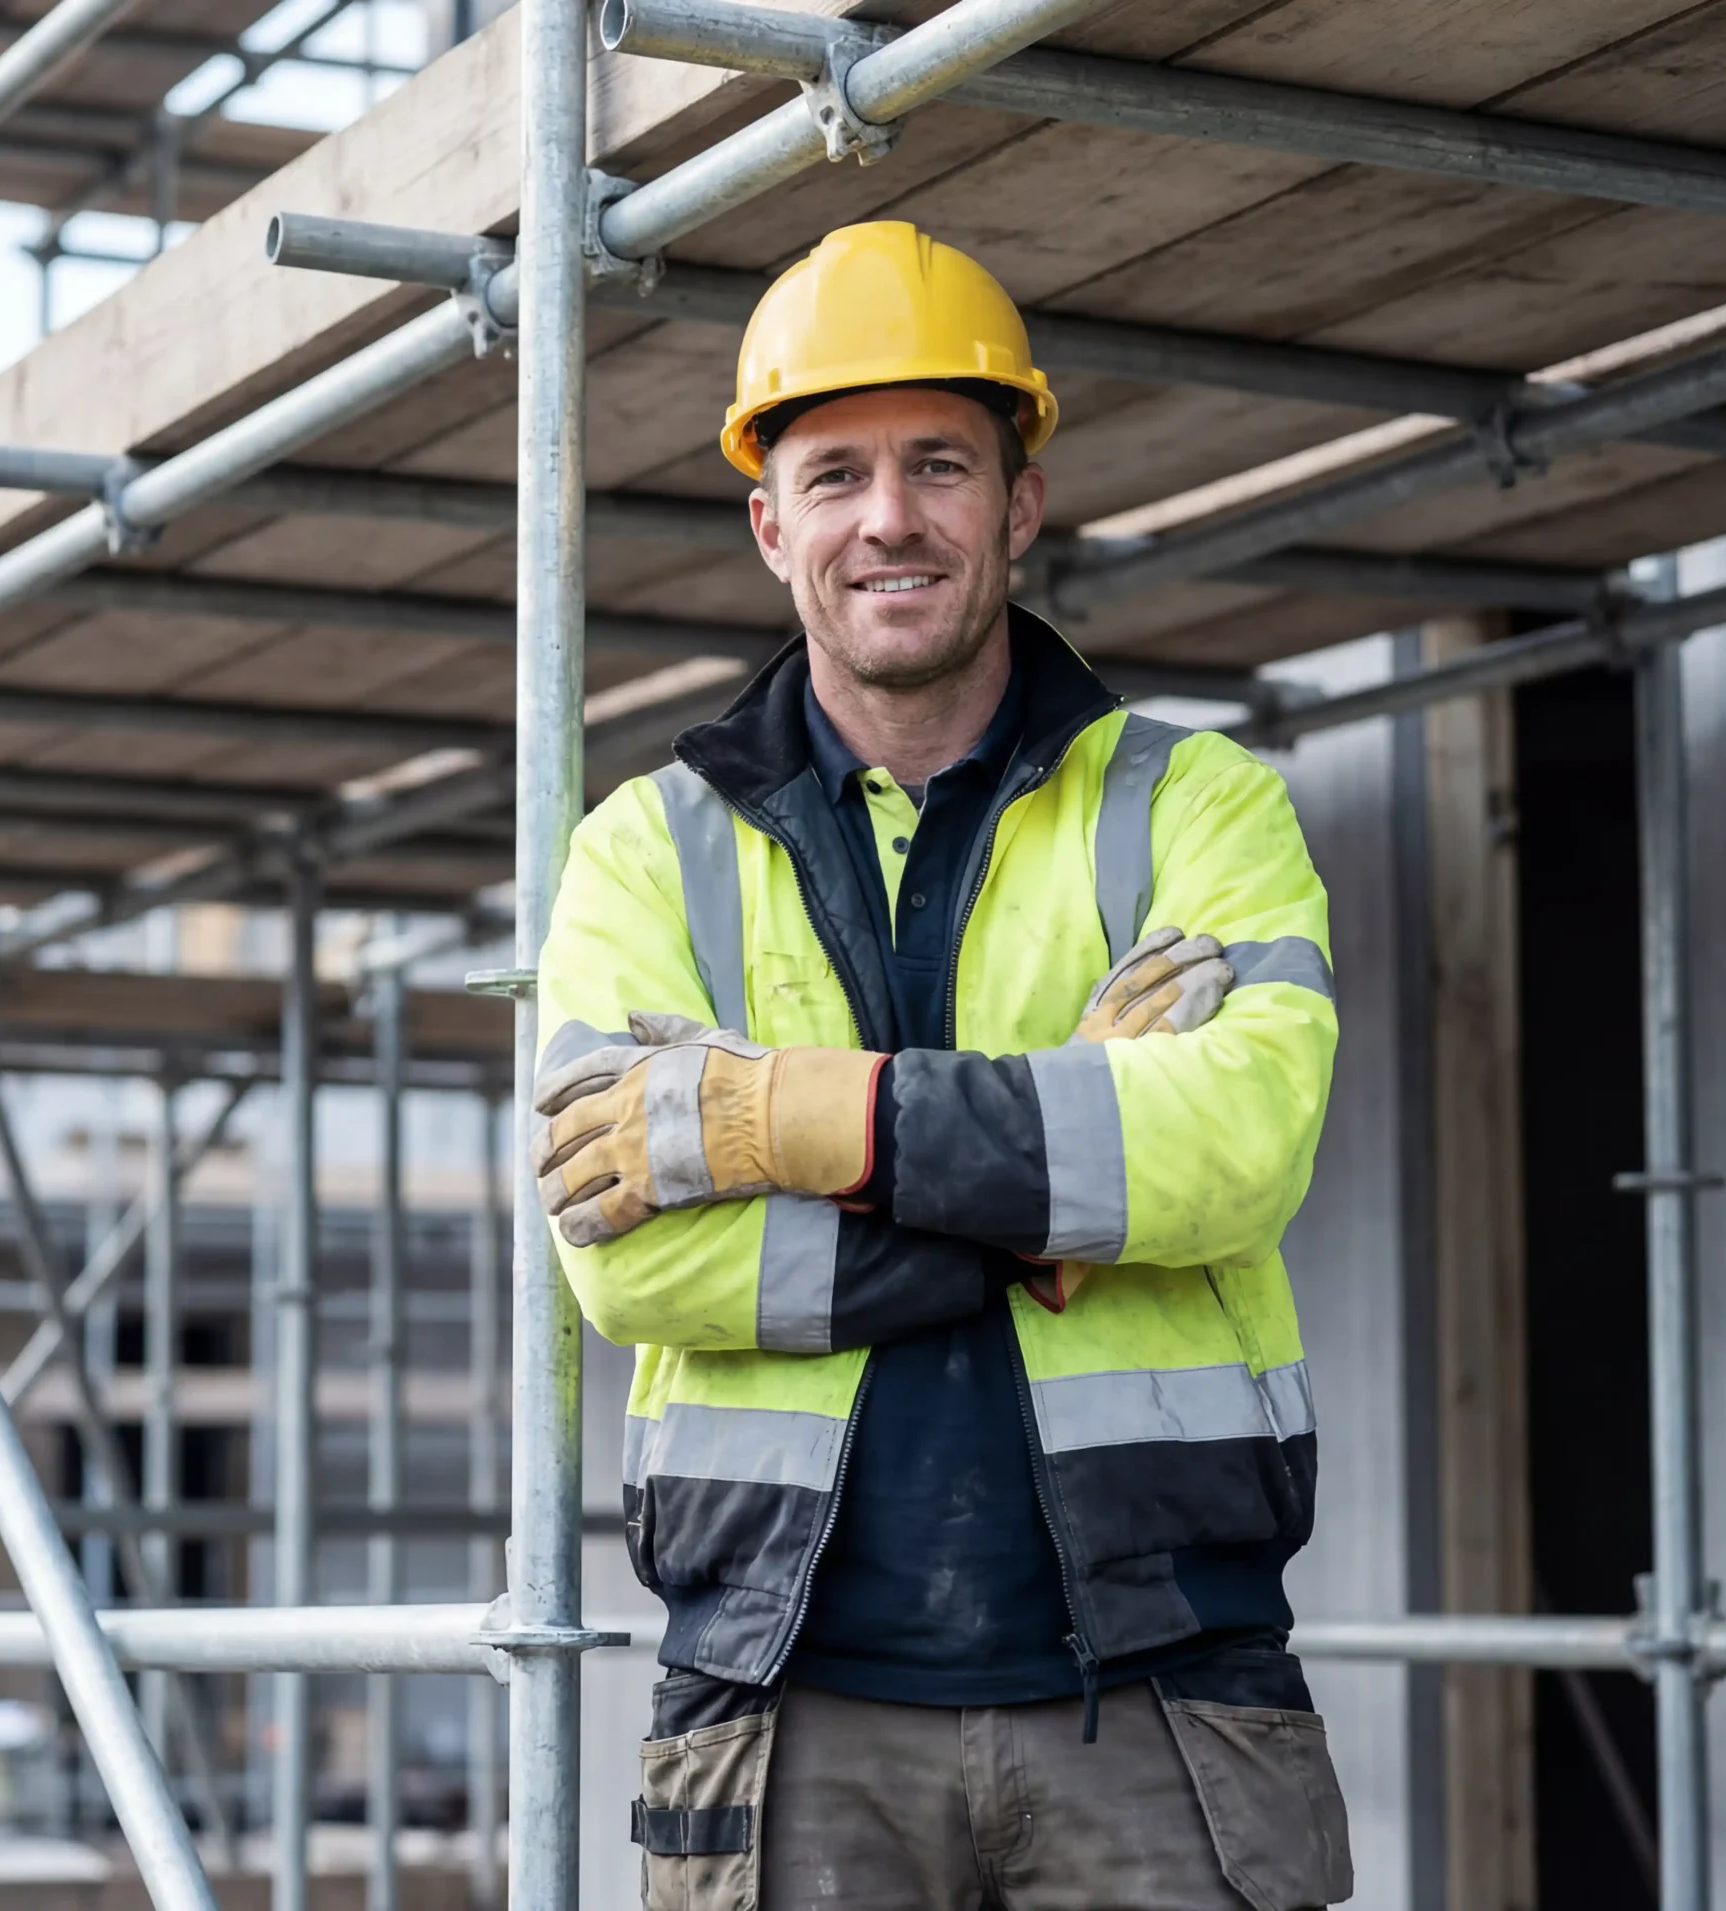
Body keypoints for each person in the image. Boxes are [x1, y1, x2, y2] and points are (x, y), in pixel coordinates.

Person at [530, 222, 1354, 1911]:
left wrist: (799, 1115)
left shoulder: (1195, 805)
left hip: (1162, 1688)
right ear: (773, 526)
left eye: (938, 465)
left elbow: (1239, 1144)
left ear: (1020, 503)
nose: (888, 518)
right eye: (835, 475)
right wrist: (1050, 1196)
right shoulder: (643, 852)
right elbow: (628, 1259)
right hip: (786, 1699)